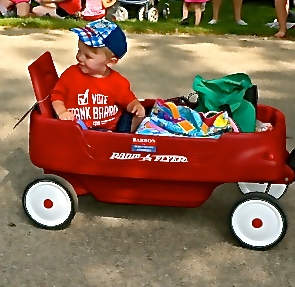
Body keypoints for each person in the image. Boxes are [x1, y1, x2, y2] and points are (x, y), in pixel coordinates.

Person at [51, 19, 145, 133]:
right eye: (79, 51)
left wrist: (135, 106)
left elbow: (128, 100)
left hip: (110, 133)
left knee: (132, 117)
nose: (79, 57)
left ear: (111, 61)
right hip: (78, 132)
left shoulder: (117, 82)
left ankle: (125, 139)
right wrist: (62, 112)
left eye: (88, 56)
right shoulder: (71, 75)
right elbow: (57, 96)